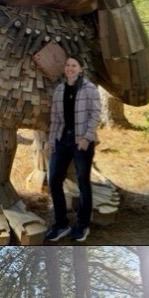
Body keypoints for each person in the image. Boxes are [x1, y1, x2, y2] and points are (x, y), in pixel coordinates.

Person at [45, 56, 101, 242]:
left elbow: (95, 115)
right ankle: (61, 223)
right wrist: (52, 140)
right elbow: (55, 119)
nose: (70, 68)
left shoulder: (89, 89)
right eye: (67, 65)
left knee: (83, 183)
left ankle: (83, 225)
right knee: (53, 180)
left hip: (81, 142)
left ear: (80, 69)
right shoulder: (59, 90)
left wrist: (86, 139)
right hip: (62, 140)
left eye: (74, 65)